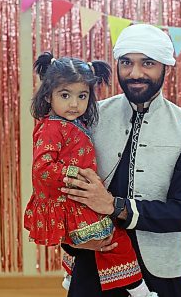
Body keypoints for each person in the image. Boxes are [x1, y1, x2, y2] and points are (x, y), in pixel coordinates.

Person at [60, 24, 181, 297]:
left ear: (165, 66)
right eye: (126, 62)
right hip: (93, 262)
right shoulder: (91, 117)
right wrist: (73, 238)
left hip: (160, 272)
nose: (135, 73)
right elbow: (63, 187)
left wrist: (114, 206)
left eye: (147, 63)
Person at [23, 52, 157, 297]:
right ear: (48, 95)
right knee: (113, 240)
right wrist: (77, 175)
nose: (74, 104)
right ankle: (139, 291)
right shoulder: (52, 128)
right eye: (65, 95)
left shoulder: (70, 122)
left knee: (97, 241)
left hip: (80, 196)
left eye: (81, 96)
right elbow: (42, 168)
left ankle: (71, 275)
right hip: (74, 196)